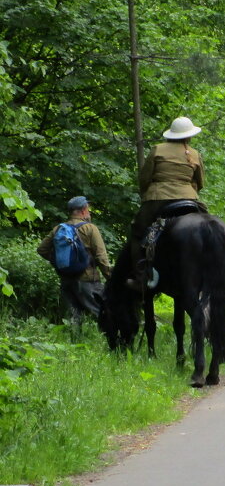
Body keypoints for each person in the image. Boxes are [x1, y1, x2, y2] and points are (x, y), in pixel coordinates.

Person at [128, 116, 206, 289]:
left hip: (158, 198)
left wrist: (146, 193)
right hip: (188, 198)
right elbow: (199, 182)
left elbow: (145, 177)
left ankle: (140, 276)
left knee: (137, 231)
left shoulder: (157, 149)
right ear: (189, 136)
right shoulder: (194, 154)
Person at [37, 195, 112, 334]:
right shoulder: (90, 228)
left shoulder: (58, 228)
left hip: (66, 279)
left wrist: (58, 263)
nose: (89, 212)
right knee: (101, 311)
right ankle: (110, 340)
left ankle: (74, 343)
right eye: (88, 209)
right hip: (87, 280)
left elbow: (41, 249)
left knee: (73, 315)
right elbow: (101, 257)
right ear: (83, 210)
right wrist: (110, 277)